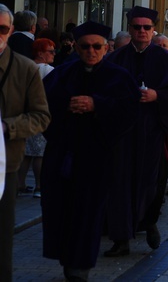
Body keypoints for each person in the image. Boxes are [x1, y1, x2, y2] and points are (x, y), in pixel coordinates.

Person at [41, 21, 140, 282]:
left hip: (99, 157)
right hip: (63, 154)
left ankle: (79, 266)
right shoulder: (60, 75)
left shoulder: (119, 77)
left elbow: (129, 113)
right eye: (85, 46)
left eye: (97, 46)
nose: (91, 51)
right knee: (61, 210)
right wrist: (66, 107)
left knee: (87, 213)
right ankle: (67, 259)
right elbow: (42, 111)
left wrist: (98, 105)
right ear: (76, 46)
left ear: (106, 48)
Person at [105, 6, 168, 256]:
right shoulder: (116, 59)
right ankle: (121, 239)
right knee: (119, 185)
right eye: (137, 27)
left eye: (146, 28)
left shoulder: (165, 59)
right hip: (122, 134)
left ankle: (149, 221)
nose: (142, 32)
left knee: (150, 183)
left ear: (153, 30)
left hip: (151, 132)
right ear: (130, 29)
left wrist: (157, 95)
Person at [0, 4, 50, 280]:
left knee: (3, 237)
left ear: (10, 31)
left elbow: (42, 116)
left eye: (2, 29)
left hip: (6, 164)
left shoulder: (25, 68)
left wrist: (9, 127)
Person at [18, 39, 56, 198]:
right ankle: (40, 187)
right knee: (40, 153)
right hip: (41, 114)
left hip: (24, 114)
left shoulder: (25, 67)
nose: (54, 54)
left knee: (26, 152)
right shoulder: (48, 70)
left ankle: (19, 185)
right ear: (41, 53)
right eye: (51, 51)